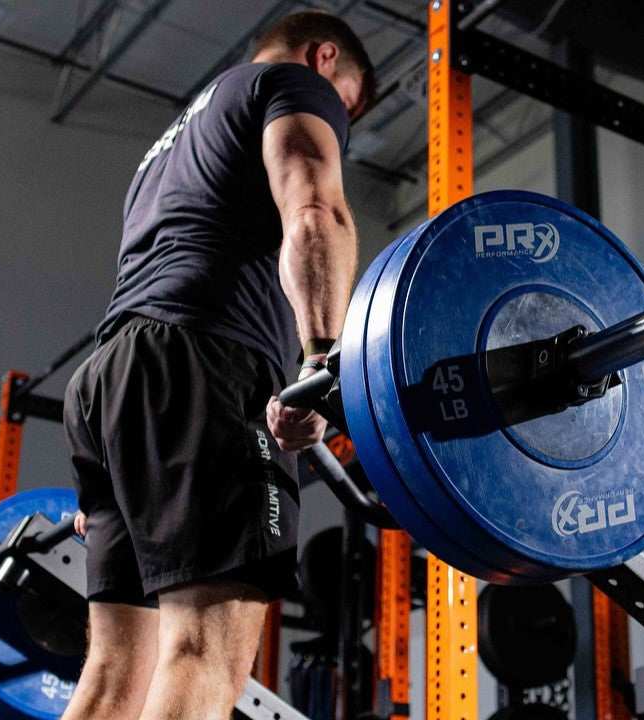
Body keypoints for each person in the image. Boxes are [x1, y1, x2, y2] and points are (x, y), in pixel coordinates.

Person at [60, 11, 373, 719]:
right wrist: (321, 362)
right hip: (210, 366)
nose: (340, 122)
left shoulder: (166, 148)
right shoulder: (291, 85)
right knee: (203, 654)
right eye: (347, 103)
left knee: (112, 678)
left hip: (108, 382)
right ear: (324, 58)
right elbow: (316, 210)